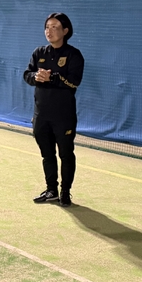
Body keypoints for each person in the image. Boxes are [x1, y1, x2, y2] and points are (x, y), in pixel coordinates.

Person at [23, 12, 84, 207]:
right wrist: (36, 77)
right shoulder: (39, 53)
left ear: (65, 31)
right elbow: (27, 74)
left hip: (63, 116)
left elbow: (74, 82)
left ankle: (65, 192)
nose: (49, 31)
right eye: (47, 27)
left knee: (66, 154)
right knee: (47, 154)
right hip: (41, 115)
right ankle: (51, 190)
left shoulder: (74, 55)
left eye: (55, 27)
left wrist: (52, 77)